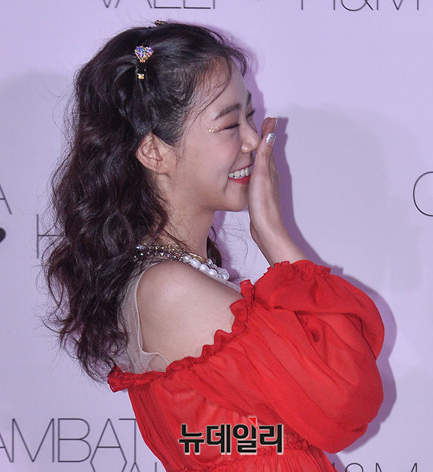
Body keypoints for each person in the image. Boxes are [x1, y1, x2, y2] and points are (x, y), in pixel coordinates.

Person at [44, 21, 384, 472]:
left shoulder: (172, 277)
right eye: (228, 125)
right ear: (155, 152)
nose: (253, 140)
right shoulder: (170, 289)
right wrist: (275, 235)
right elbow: (345, 402)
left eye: (250, 116)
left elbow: (278, 434)